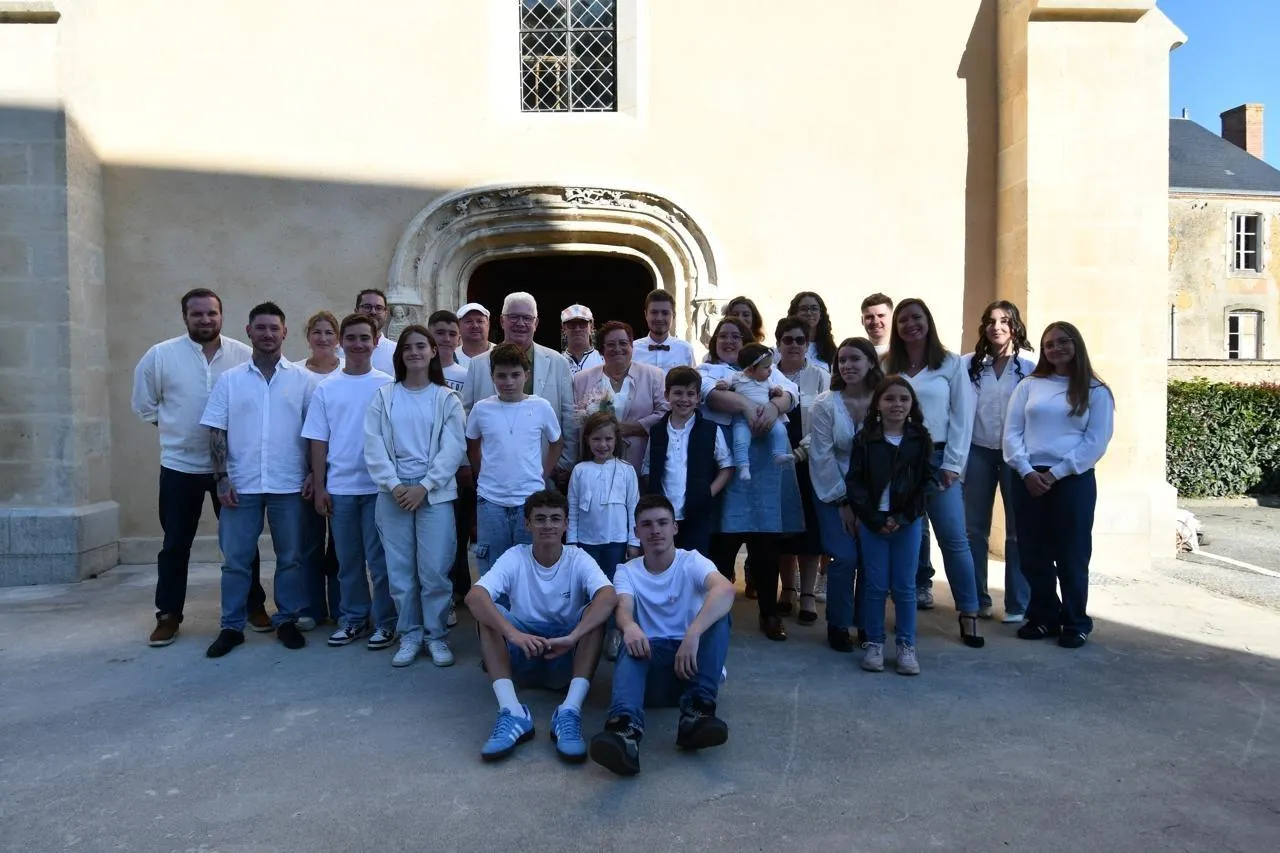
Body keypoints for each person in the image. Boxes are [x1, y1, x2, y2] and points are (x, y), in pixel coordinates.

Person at [131, 288, 267, 646]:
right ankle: (168, 615)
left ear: (221, 315)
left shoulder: (243, 355)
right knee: (175, 544)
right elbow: (145, 405)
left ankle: (253, 605)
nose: (205, 320)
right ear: (185, 317)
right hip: (180, 467)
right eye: (197, 314)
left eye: (211, 313)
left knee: (241, 543)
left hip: (232, 469)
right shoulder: (160, 356)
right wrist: (179, 433)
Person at [464, 490, 617, 763]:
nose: (548, 525)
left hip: (564, 655)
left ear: (566, 524)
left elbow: (608, 597)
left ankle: (570, 710)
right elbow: (474, 597)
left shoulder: (578, 557)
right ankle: (513, 711)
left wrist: (573, 637)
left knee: (594, 614)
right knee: (488, 612)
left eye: (555, 518)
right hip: (523, 652)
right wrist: (513, 634)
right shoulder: (515, 556)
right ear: (527, 524)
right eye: (540, 518)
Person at [588, 495, 736, 777]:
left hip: (693, 668)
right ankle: (625, 733)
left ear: (674, 527)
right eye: (647, 524)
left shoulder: (692, 561)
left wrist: (693, 634)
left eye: (662, 523)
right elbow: (623, 608)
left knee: (719, 616)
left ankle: (697, 715)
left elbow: (725, 590)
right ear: (636, 532)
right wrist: (629, 626)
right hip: (651, 676)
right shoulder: (627, 571)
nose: (655, 530)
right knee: (631, 640)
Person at [200, 302, 314, 657]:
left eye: (274, 328)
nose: (267, 334)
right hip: (241, 485)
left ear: (285, 333)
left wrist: (314, 473)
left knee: (290, 557)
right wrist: (221, 478)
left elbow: (315, 433)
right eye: (261, 328)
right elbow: (216, 430)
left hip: (289, 484)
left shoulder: (303, 380)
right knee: (236, 560)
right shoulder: (230, 380)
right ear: (249, 331)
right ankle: (232, 627)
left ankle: (287, 619)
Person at [1003, 322, 1114, 649]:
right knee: (1032, 553)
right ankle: (1043, 616)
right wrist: (1026, 471)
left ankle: (1075, 622)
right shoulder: (1029, 386)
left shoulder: (1096, 390)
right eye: (1049, 344)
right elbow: (1012, 432)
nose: (1056, 348)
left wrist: (1055, 474)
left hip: (1072, 480)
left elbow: (1096, 442)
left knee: (1071, 554)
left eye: (1063, 342)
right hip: (1028, 477)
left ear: (1076, 344)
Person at [364, 326, 467, 667]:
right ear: (400, 355)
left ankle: (435, 635)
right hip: (393, 494)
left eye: (421, 346)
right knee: (400, 570)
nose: (414, 352)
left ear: (433, 351)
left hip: (433, 494)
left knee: (435, 569)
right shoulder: (384, 396)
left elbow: (453, 448)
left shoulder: (446, 398)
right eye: (407, 347)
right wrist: (395, 485)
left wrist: (425, 485)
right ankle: (410, 634)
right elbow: (373, 445)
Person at [885, 298, 984, 648]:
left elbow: (962, 416)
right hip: (897, 459)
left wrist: (953, 464)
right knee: (903, 538)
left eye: (917, 318)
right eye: (903, 320)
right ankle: (903, 613)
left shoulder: (950, 364)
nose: (910, 325)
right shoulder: (888, 365)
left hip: (939, 458)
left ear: (928, 321)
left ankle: (969, 611)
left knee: (953, 538)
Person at [700, 316, 803, 641]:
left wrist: (773, 409)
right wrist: (748, 407)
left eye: (736, 336)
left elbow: (790, 394)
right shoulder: (709, 370)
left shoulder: (767, 369)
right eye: (723, 335)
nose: (729, 341)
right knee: (723, 542)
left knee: (765, 541)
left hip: (765, 464)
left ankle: (769, 613)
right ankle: (716, 614)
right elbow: (710, 396)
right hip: (727, 461)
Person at [302, 313, 398, 651]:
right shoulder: (327, 388)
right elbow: (318, 440)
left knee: (380, 562)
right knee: (348, 562)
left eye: (364, 338)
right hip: (341, 490)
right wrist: (321, 486)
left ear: (375, 341)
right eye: (352, 338)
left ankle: (386, 623)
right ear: (342, 342)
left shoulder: (388, 385)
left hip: (378, 490)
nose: (358, 344)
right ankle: (354, 619)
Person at [844, 376, 935, 675]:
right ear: (878, 404)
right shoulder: (865, 439)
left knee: (905, 586)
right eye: (890, 398)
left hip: (906, 524)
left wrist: (903, 517)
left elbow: (927, 484)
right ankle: (875, 643)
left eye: (904, 399)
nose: (897, 404)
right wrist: (873, 518)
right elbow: (855, 482)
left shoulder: (920, 439)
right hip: (874, 524)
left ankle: (906, 645)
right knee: (875, 585)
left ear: (912, 405)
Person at [963, 301, 1036, 623]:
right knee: (973, 529)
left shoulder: (1030, 367)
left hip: (1015, 454)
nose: (997, 327)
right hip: (977, 450)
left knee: (1017, 530)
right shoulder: (969, 365)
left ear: (1015, 326)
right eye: (991, 321)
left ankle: (1018, 603)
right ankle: (977, 598)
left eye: (1004, 321)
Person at [466, 343, 565, 575]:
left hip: (529, 499)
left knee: (528, 563)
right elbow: (472, 444)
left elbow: (557, 442)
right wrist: (482, 473)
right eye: (501, 376)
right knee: (493, 565)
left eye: (515, 375)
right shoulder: (482, 409)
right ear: (492, 376)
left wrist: (543, 474)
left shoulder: (540, 406)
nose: (508, 382)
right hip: (491, 499)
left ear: (526, 375)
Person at [809, 338, 881, 652]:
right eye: (842, 360)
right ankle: (838, 623)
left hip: (875, 495)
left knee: (870, 557)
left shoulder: (884, 401)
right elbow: (821, 456)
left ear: (871, 362)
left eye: (855, 359)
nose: (848, 366)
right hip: (831, 492)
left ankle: (866, 623)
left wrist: (869, 502)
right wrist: (843, 501)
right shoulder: (825, 404)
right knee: (845, 556)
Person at [463, 292, 575, 477]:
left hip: (546, 471)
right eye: (514, 317)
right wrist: (471, 466)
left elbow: (569, 416)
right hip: (492, 475)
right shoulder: (478, 364)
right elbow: (465, 417)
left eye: (527, 318)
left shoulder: (558, 362)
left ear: (536, 323)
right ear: (502, 321)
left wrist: (563, 464)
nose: (521, 323)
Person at [773, 316, 831, 624]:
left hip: (810, 462)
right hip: (776, 462)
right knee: (783, 530)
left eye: (800, 340)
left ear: (807, 345)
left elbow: (825, 421)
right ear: (778, 343)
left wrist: (800, 453)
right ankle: (788, 589)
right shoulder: (768, 374)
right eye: (788, 340)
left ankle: (807, 593)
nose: (794, 345)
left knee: (810, 530)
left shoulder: (821, 377)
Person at [643, 366, 734, 559]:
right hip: (663, 516)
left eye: (690, 394)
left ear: (698, 397)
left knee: (695, 563)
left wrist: (707, 493)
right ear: (667, 395)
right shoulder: (657, 431)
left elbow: (727, 466)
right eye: (678, 393)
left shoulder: (710, 430)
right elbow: (647, 468)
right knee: (664, 562)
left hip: (697, 514)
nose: (684, 399)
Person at [570, 321, 667, 474]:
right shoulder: (582, 379)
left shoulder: (654, 375)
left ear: (631, 345)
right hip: (594, 463)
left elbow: (664, 414)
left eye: (623, 343)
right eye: (610, 344)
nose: (617, 349)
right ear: (601, 349)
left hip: (640, 462)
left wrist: (627, 428)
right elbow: (575, 422)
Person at [298, 310, 343, 630]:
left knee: (340, 547)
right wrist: (312, 472)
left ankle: (342, 608)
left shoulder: (347, 373)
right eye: (317, 332)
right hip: (304, 472)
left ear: (337, 338)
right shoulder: (295, 373)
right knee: (309, 543)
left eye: (329, 332)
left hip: (340, 472)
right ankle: (311, 607)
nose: (323, 338)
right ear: (308, 336)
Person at [428, 309, 473, 620]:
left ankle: (459, 587)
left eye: (451, 333)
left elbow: (469, 423)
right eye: (439, 332)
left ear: (458, 339)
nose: (445, 339)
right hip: (426, 468)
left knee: (458, 530)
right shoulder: (417, 374)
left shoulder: (466, 375)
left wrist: (467, 463)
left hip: (459, 466)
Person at [567, 411, 640, 581]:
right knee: (587, 583)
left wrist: (634, 542)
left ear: (616, 440)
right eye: (596, 439)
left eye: (608, 439)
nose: (602, 445)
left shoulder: (627, 470)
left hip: (617, 542)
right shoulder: (580, 470)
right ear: (587, 440)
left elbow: (633, 508)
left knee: (614, 583)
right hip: (586, 542)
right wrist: (571, 542)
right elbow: (573, 508)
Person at [716, 342, 793, 478]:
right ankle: (743, 466)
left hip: (765, 416)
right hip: (742, 420)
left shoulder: (767, 381)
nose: (770, 370)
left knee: (780, 430)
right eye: (766, 367)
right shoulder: (737, 377)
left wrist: (777, 391)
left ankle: (779, 454)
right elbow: (725, 383)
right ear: (751, 369)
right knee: (740, 441)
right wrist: (723, 384)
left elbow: (775, 388)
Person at [633, 288, 696, 372]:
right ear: (646, 315)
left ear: (673, 315)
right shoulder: (632, 350)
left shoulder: (686, 350)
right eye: (654, 312)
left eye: (665, 313)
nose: (659, 318)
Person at [787, 292, 836, 373]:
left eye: (814, 308)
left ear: (821, 314)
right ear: (795, 313)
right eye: (804, 309)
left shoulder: (831, 350)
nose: (809, 313)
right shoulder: (785, 346)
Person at [354, 289, 397, 375]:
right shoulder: (342, 351)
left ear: (386, 314)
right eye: (367, 307)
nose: (373, 312)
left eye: (378, 308)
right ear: (356, 311)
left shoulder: (396, 351)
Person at [561, 303, 604, 375]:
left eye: (582, 324)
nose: (577, 329)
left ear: (591, 326)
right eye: (572, 325)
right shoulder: (557, 362)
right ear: (564, 328)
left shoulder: (603, 361)